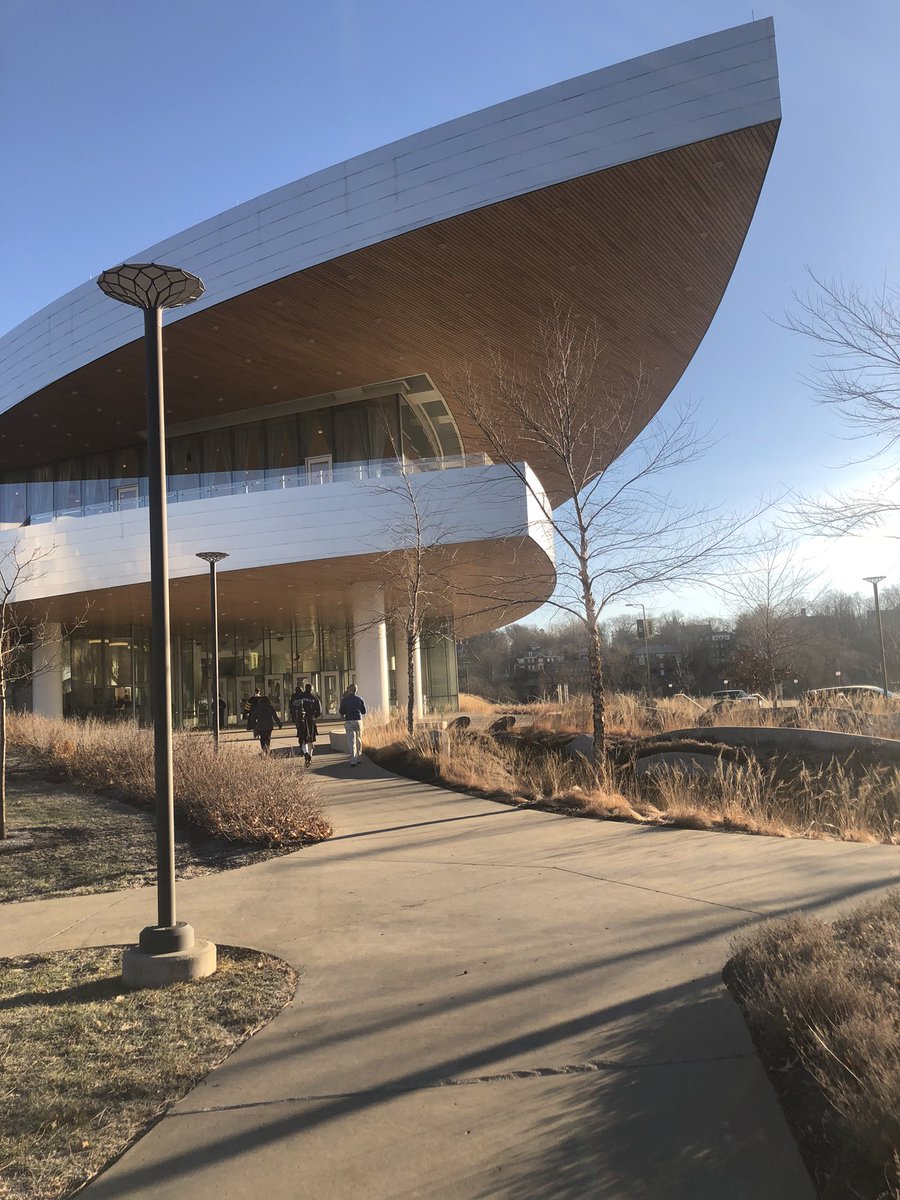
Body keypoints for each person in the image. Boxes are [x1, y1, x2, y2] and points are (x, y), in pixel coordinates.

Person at [339, 683, 367, 765]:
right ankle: (359, 757)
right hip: (358, 720)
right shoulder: (360, 699)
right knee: (359, 740)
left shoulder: (345, 700)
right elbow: (364, 711)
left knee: (351, 741)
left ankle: (353, 759)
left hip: (349, 721)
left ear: (349, 690)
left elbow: (341, 711)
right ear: (356, 690)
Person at [297, 682, 322, 766]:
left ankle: (305, 753)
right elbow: (320, 711)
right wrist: (313, 716)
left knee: (303, 739)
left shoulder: (300, 697)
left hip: (302, 720)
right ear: (312, 689)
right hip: (311, 720)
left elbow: (294, 707)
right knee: (311, 740)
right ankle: (310, 757)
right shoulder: (315, 698)